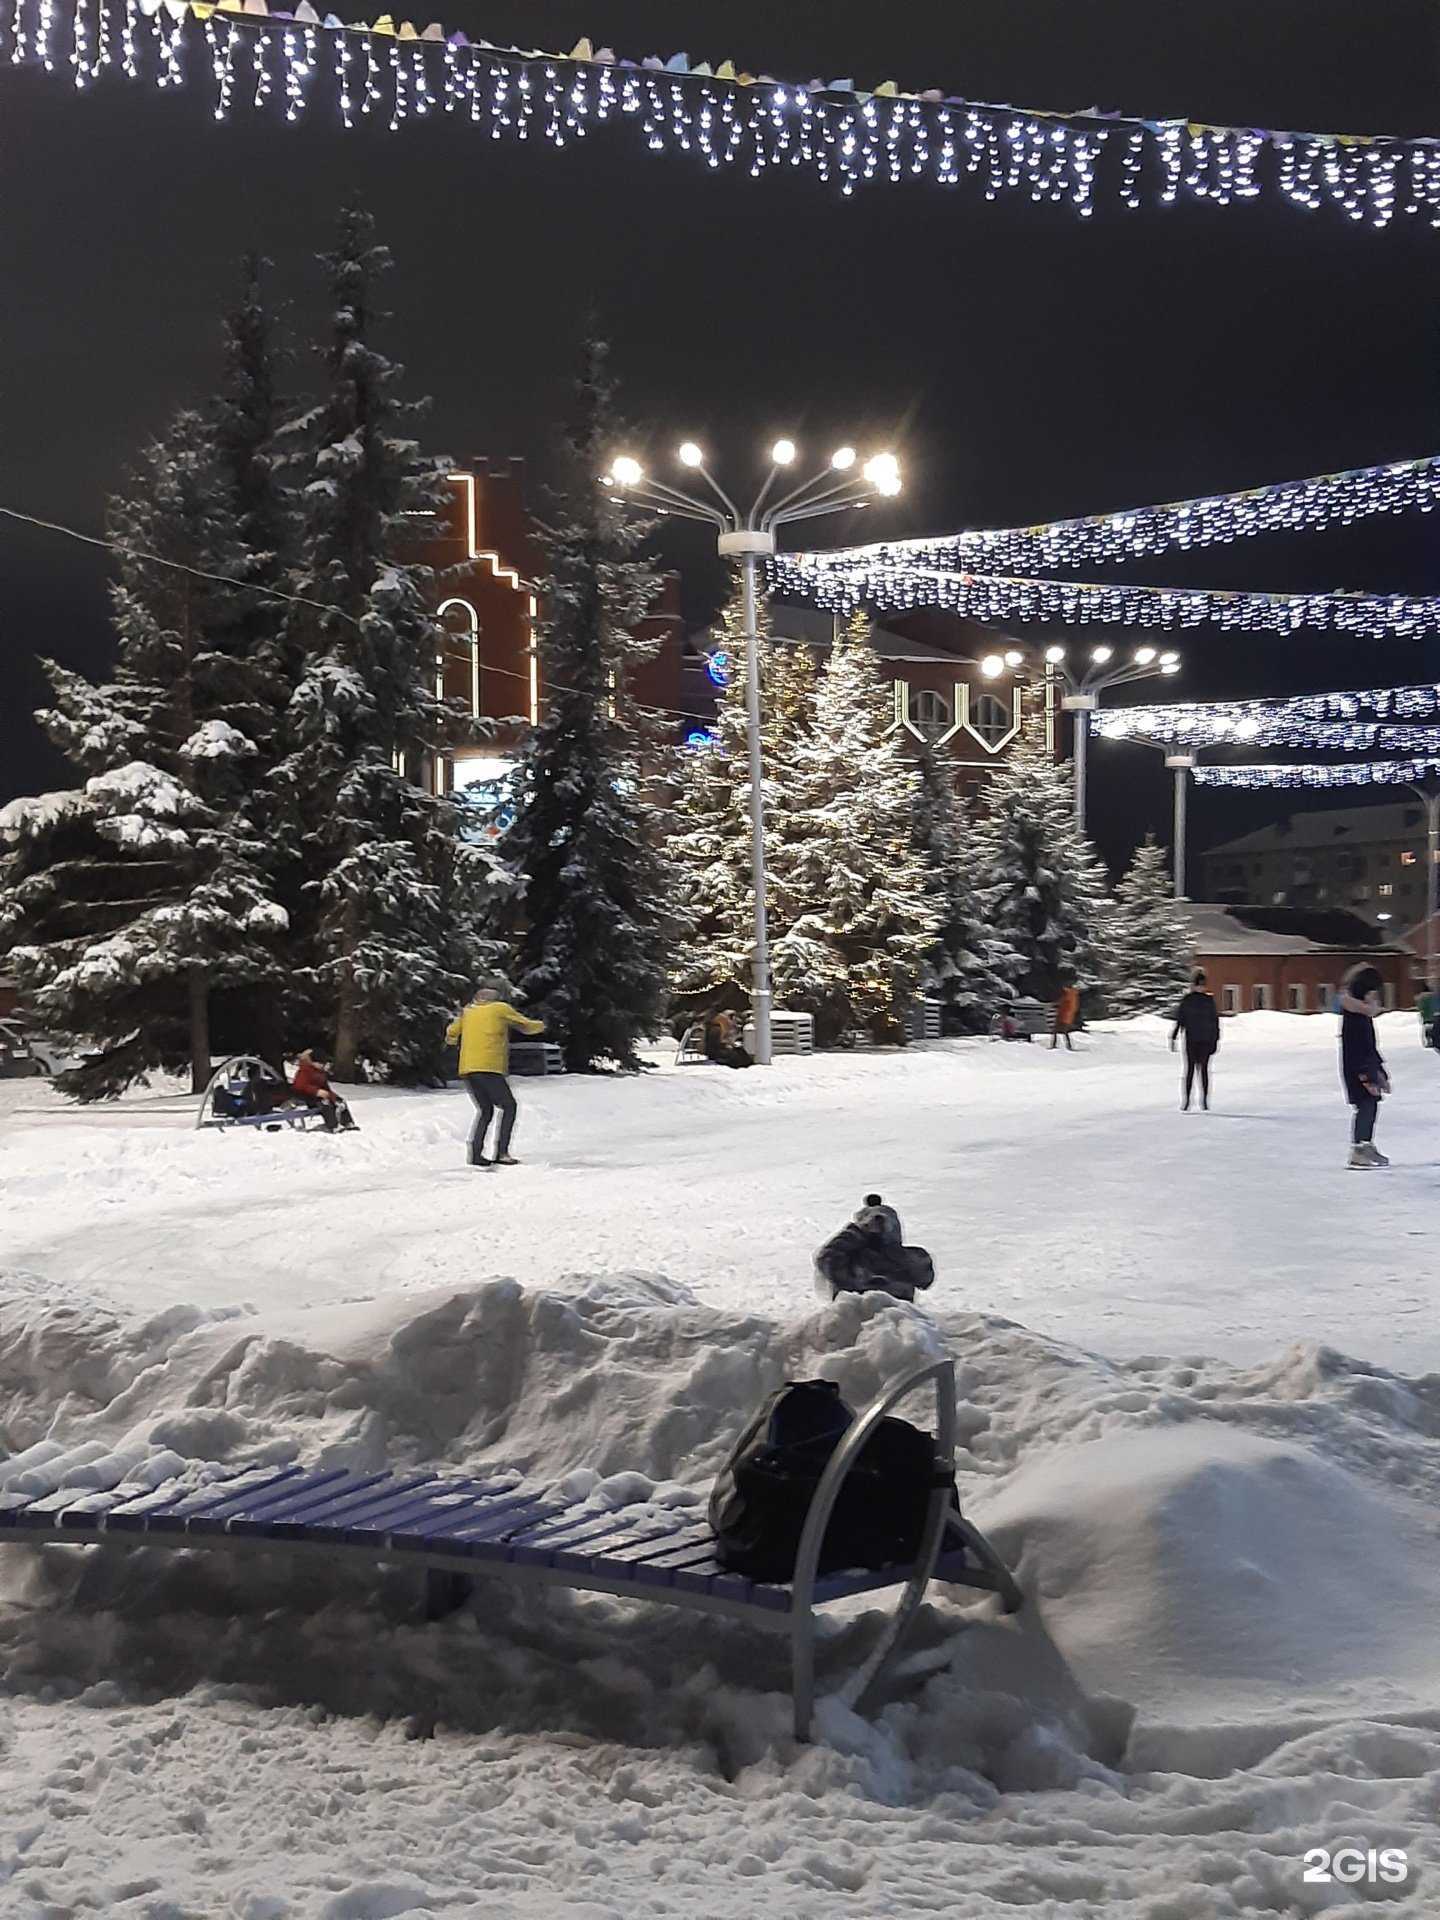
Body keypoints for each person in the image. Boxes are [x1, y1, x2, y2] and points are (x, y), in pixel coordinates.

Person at [446, 981, 544, 1168]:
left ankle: (475, 1154)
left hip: (468, 1069)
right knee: (509, 1106)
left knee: (486, 1110)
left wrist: (452, 1041)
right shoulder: (500, 1009)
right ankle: (502, 1152)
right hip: (489, 1066)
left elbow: (451, 1032)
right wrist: (543, 1025)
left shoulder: (469, 1011)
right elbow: (525, 1025)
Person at [814, 1194, 935, 1305]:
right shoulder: (912, 1258)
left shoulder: (851, 1260)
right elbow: (827, 1259)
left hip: (875, 1322)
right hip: (886, 1321)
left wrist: (857, 1231)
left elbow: (826, 1258)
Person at [1339, 963, 1391, 1169]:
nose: (1376, 998)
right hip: (1358, 1070)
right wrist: (1366, 1075)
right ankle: (1359, 1149)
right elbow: (1358, 1049)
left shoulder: (1361, 1016)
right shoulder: (1355, 1018)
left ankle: (1366, 1144)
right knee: (1365, 1105)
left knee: (1370, 1105)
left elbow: (1371, 1047)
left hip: (1366, 1068)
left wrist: (1380, 1071)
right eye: (1374, 992)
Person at [1170, 968, 1221, 1111]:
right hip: (1191, 1040)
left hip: (1205, 1040)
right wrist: (1173, 1036)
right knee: (1190, 1071)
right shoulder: (1188, 1000)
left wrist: (1215, 1040)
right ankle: (1186, 1101)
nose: (1200, 987)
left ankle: (1204, 1101)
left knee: (1203, 1071)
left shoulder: (1208, 1001)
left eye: (1202, 985)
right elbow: (1181, 1019)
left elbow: (1214, 1022)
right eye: (1198, 984)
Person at [291, 1049, 358, 1132]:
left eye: (323, 1064)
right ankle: (333, 1126)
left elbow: (325, 1088)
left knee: (340, 1101)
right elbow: (299, 1086)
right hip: (305, 1097)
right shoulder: (305, 1070)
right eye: (319, 1063)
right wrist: (316, 1091)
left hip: (319, 1095)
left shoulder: (321, 1072)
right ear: (313, 1062)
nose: (321, 1065)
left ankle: (348, 1123)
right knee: (325, 1103)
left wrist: (334, 1097)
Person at [1050, 974, 1080, 1051]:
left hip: (1064, 1014)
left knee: (1059, 1030)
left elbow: (1063, 1001)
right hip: (1067, 1014)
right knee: (1061, 1031)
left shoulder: (1069, 993)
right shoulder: (1073, 993)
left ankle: (1057, 1044)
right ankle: (1065, 1045)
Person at [1417, 979, 1438, 1050]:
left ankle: (1428, 1041)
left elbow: (1421, 1008)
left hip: (1426, 1018)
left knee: (1427, 1029)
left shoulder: (1421, 998)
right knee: (1434, 1030)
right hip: (1434, 1017)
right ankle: (1433, 1040)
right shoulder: (1433, 997)